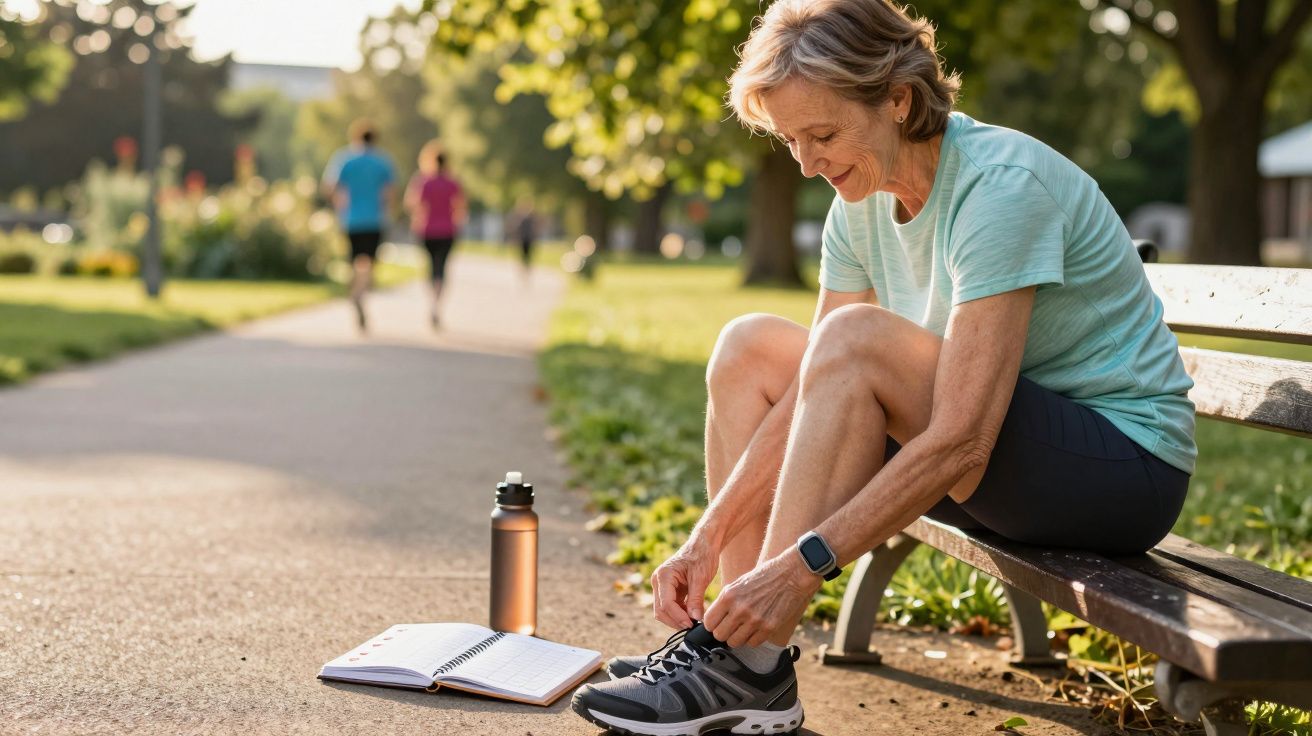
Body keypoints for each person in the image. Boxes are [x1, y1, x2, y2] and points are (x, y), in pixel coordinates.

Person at [570, 1, 1196, 734]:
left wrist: (797, 569)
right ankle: (740, 661)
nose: (806, 163)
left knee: (855, 338)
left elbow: (963, 441)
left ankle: (746, 659)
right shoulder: (860, 201)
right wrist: (704, 539)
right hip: (994, 452)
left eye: (823, 134)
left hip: (1118, 468)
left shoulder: (999, 188)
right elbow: (811, 391)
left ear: (898, 100)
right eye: (791, 141)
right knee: (750, 349)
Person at [322, 120, 397, 332]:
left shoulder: (345, 159)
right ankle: (359, 293)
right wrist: (387, 212)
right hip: (374, 220)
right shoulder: (383, 162)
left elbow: (330, 187)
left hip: (351, 220)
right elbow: (389, 192)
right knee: (370, 263)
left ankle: (355, 291)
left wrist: (340, 204)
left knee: (354, 260)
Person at [404, 140, 466, 329]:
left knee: (431, 267)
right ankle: (436, 305)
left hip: (427, 230)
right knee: (442, 268)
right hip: (447, 231)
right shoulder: (453, 183)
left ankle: (432, 301)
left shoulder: (423, 181)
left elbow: (412, 205)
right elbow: (461, 208)